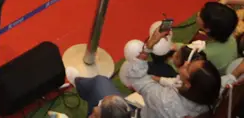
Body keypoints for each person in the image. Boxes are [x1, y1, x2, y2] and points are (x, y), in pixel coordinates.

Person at [74, 27, 221, 118]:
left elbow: (136, 78)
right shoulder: (208, 98)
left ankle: (77, 82)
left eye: (188, 68)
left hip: (139, 114)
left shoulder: (165, 101)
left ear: (188, 84)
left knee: (100, 84)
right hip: (149, 110)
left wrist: (149, 46)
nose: (186, 63)